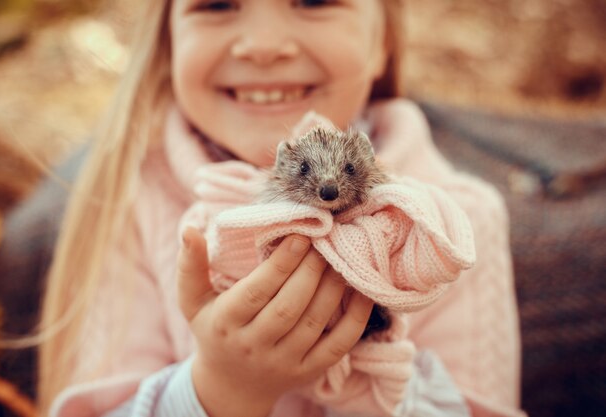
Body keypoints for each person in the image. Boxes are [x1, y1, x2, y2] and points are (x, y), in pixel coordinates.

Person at [38, 1, 525, 416]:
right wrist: (220, 388)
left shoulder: (453, 229)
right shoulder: (126, 208)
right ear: (166, 46)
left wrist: (373, 385)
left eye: (314, 0)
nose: (263, 44)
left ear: (384, 42)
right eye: (217, 3)